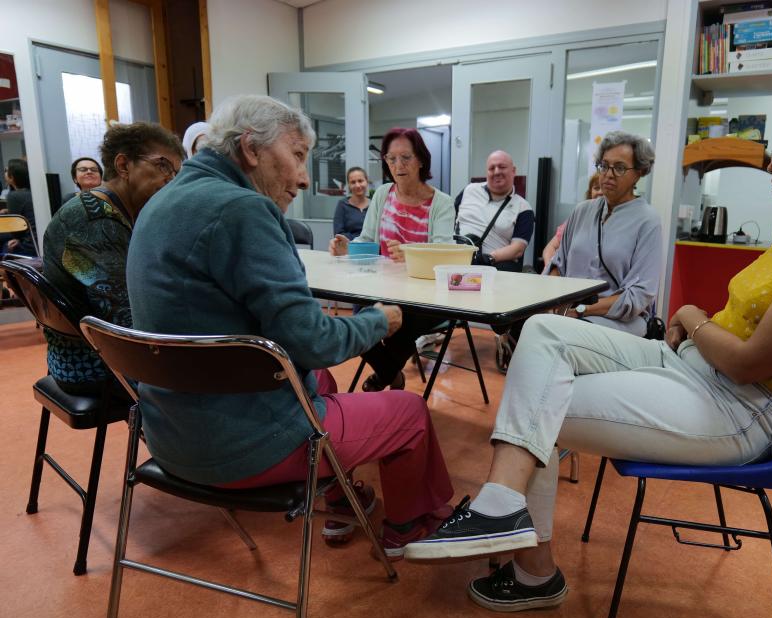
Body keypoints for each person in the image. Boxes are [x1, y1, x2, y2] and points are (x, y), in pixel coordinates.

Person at [404, 87, 772, 612]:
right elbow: (741, 328)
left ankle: (527, 561)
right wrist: (694, 331)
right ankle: (505, 510)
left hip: (740, 407)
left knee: (537, 403)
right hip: (693, 370)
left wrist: (691, 317)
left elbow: (747, 362)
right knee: (543, 336)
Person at [126, 96, 454, 555]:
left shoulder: (159, 204)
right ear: (251, 149)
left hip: (168, 436)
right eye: (298, 155)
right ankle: (411, 527)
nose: (303, 177)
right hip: (241, 447)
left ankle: (342, 497)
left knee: (319, 380)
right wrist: (379, 320)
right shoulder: (244, 209)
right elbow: (313, 340)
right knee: (410, 413)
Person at [42, 122, 184, 396]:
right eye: (163, 166)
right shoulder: (92, 219)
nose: (171, 180)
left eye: (176, 172)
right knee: (221, 372)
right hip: (92, 364)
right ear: (123, 165)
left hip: (78, 355)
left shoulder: (108, 211)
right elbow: (123, 319)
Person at [328, 127, 455, 391]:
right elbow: (368, 242)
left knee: (400, 327)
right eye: (391, 158)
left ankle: (384, 377)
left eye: (406, 158)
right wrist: (348, 248)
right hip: (382, 287)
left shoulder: (441, 203)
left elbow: (445, 255)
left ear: (421, 160)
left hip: (424, 296)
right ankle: (391, 374)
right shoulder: (383, 194)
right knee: (358, 322)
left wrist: (410, 252)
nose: (398, 165)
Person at [547, 131, 662, 337]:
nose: (608, 174)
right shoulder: (582, 210)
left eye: (619, 168)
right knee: (527, 325)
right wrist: (552, 303)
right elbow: (558, 263)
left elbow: (639, 294)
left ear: (640, 172)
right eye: (604, 165)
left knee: (566, 335)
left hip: (619, 319)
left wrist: (582, 311)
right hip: (569, 312)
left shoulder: (647, 220)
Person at [454, 150, 534, 272]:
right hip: (455, 264)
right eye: (491, 168)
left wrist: (490, 258)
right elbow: (450, 218)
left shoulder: (523, 208)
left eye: (502, 167)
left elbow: (518, 249)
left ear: (513, 171)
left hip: (494, 271)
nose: (496, 172)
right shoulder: (469, 190)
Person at [541, 172, 601, 266]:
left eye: (604, 188)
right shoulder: (578, 217)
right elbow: (550, 248)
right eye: (596, 188)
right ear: (590, 192)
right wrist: (550, 270)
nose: (600, 192)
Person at [1, 158, 37, 256]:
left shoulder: (14, 196)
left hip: (29, 246)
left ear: (12, 177)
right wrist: (8, 211)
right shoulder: (31, 192)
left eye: (6, 171)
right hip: (38, 243)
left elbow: (16, 232)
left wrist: (17, 239)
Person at [333, 166, 370, 240]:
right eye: (353, 182)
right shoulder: (342, 205)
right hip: (349, 249)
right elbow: (339, 234)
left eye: (360, 181)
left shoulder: (374, 205)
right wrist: (362, 240)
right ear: (349, 185)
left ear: (367, 181)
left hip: (372, 249)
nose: (357, 185)